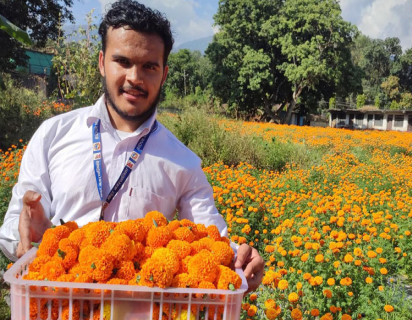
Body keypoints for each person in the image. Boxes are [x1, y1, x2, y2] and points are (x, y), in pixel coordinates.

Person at [0, 0, 264, 293]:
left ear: (164, 74)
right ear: (102, 62)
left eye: (149, 66)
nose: (135, 78)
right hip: (60, 303)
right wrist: (28, 235)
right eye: (123, 62)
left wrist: (242, 256)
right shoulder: (53, 135)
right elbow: (14, 229)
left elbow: (213, 238)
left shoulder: (183, 162)